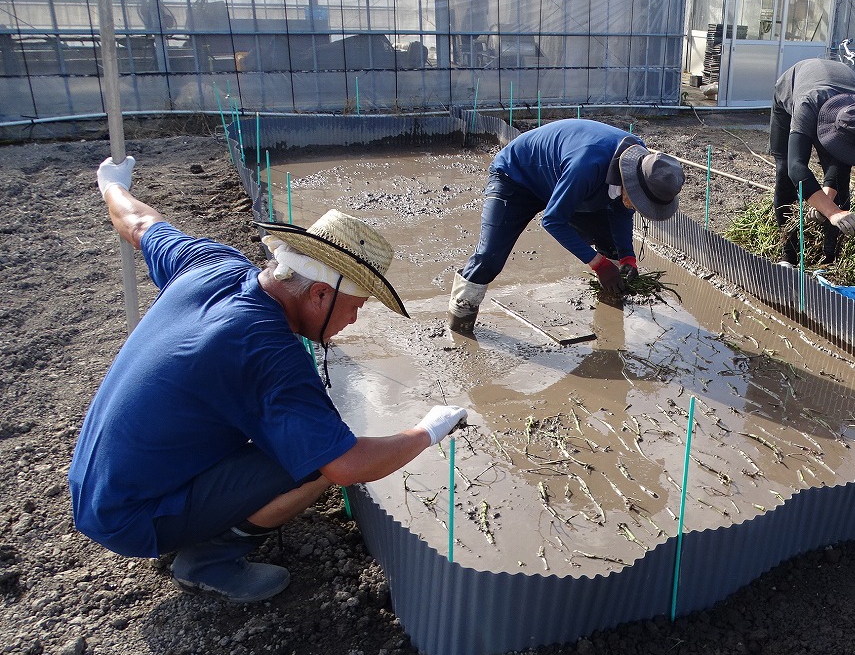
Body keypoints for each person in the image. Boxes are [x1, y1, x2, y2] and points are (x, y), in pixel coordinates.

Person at [70, 156, 469, 603]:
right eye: (355, 306)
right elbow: (346, 464)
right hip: (129, 518)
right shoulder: (268, 354)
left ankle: (195, 512)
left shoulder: (212, 265)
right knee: (318, 461)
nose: (355, 320)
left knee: (293, 436)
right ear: (319, 294)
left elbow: (141, 223)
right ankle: (209, 560)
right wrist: (426, 431)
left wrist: (111, 185)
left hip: (98, 483)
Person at [447, 118, 686, 333]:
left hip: (562, 180)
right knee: (489, 258)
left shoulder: (643, 165)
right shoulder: (587, 166)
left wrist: (627, 257)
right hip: (517, 177)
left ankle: (610, 315)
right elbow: (553, 221)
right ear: (632, 184)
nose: (637, 208)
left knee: (610, 243)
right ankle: (460, 322)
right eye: (639, 202)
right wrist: (598, 264)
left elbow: (621, 210)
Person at [770, 57, 855, 266]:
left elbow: (843, 161)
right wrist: (832, 212)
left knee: (840, 185)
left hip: (839, 96)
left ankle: (830, 259)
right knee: (785, 170)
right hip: (794, 89)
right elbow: (797, 167)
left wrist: (826, 198)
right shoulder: (808, 103)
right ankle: (788, 254)